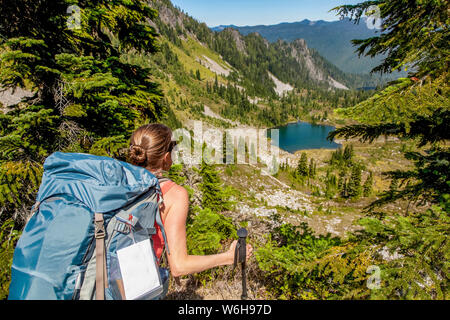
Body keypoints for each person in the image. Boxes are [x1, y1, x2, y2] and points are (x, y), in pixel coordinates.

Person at [127, 123, 253, 297]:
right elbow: (179, 267)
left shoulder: (115, 180)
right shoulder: (174, 194)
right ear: (165, 157)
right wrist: (229, 257)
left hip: (100, 279)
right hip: (136, 287)